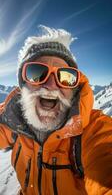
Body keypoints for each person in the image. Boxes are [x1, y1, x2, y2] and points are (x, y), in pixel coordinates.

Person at [0, 25, 112, 195]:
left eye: (66, 77)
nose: (51, 85)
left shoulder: (94, 129)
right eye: (37, 72)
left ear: (73, 88)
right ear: (23, 85)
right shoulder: (12, 119)